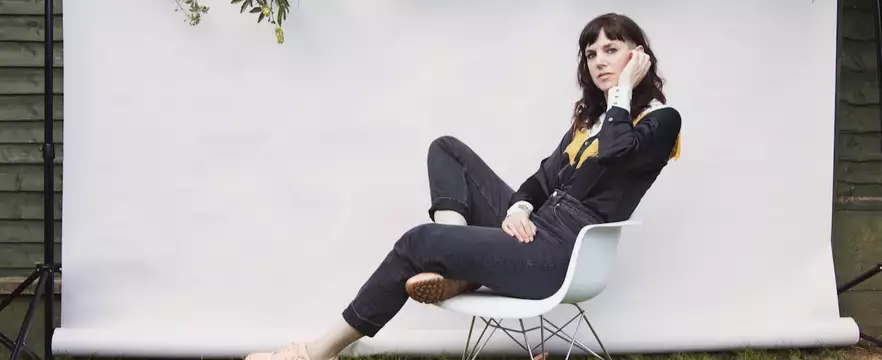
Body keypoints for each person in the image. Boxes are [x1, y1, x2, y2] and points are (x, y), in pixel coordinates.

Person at [245, 12, 682, 360]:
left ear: (637, 56)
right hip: (536, 231)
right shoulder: (588, 123)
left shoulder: (661, 121)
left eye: (611, 49)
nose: (599, 61)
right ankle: (456, 258)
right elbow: (540, 181)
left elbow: (617, 151)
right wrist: (519, 209)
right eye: (591, 53)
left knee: (418, 241)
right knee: (447, 149)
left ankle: (318, 352)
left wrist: (623, 91)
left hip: (561, 255)